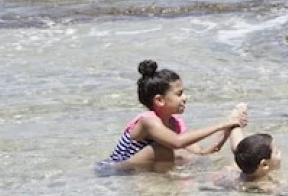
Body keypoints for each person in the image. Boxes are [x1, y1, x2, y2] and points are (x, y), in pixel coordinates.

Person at [105, 60, 247, 169]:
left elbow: (203, 152)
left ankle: (165, 181)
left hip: (138, 166)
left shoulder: (175, 123)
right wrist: (222, 123)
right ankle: (165, 183)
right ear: (159, 100)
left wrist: (227, 130)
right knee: (167, 150)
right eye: (179, 94)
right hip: (116, 169)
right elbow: (177, 142)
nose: (185, 97)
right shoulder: (148, 121)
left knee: (188, 157)